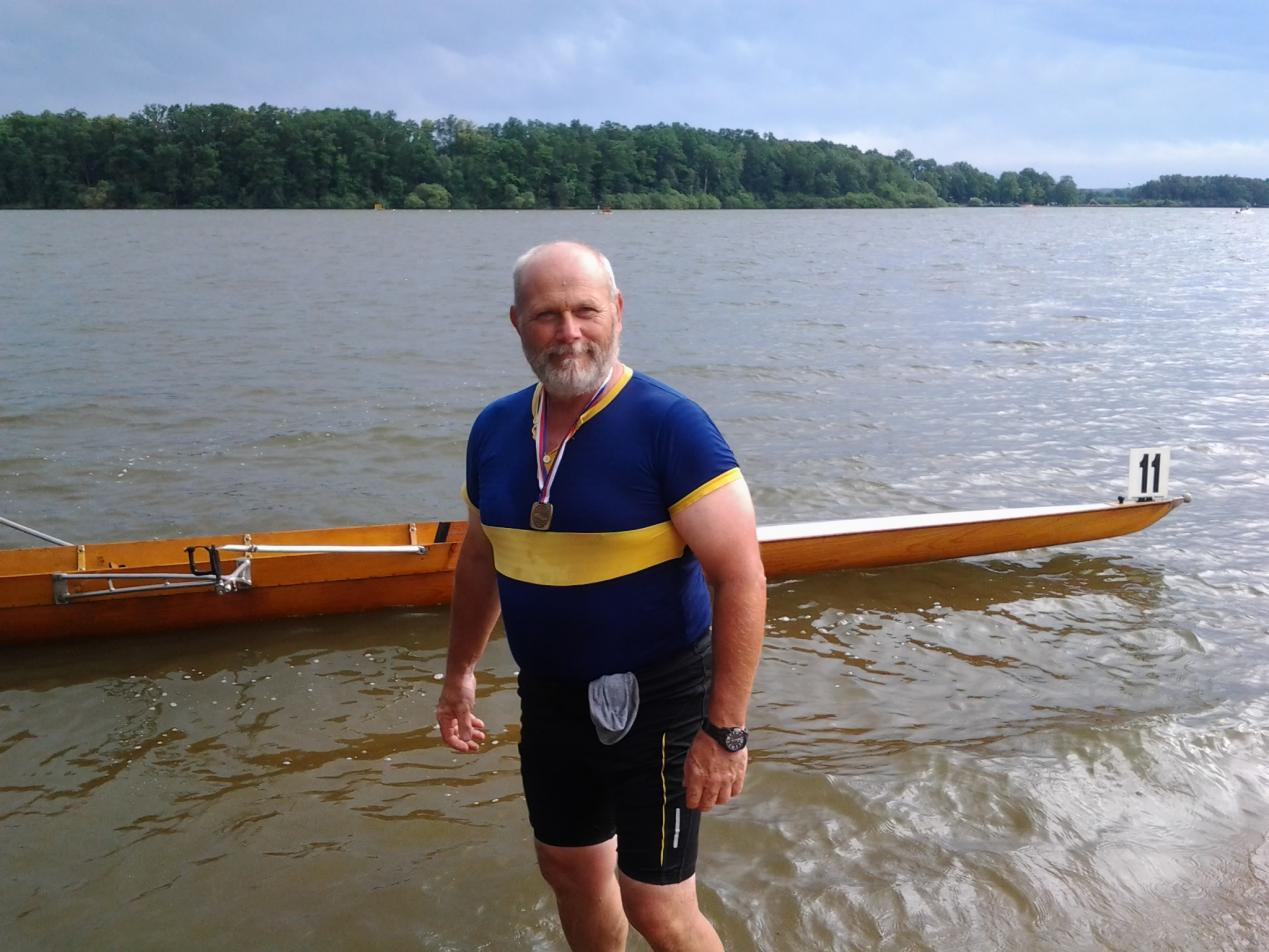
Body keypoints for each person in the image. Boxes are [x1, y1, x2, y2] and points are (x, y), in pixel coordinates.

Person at [436, 241, 767, 951]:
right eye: (546, 315)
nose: (568, 332)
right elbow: (481, 558)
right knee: (569, 869)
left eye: (585, 311)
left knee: (657, 905)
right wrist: (460, 671)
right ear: (516, 322)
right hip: (550, 694)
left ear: (616, 311)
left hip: (661, 698)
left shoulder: (670, 426)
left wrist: (725, 732)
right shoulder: (494, 429)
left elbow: (739, 576)